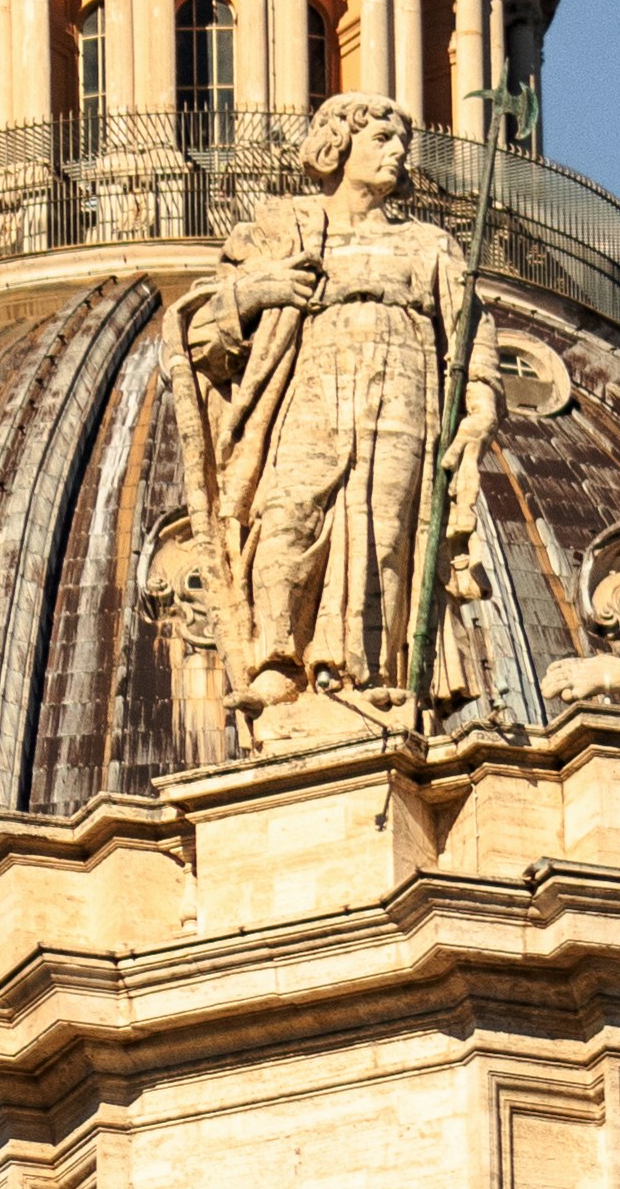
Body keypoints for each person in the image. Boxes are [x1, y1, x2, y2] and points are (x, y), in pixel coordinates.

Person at [177, 95, 485, 726]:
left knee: (387, 530)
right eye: (381, 139)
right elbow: (202, 335)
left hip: (403, 394)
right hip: (312, 385)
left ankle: (369, 676)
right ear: (338, 147)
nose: (398, 153)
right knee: (288, 511)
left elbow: (472, 347)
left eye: (402, 143)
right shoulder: (281, 228)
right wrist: (260, 288)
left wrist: (478, 416)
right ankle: (276, 667)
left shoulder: (430, 245)